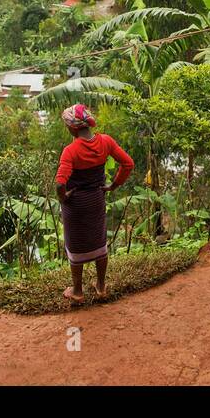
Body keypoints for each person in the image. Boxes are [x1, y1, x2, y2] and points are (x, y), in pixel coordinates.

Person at [55, 103, 134, 304]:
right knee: (99, 241)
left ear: (73, 128)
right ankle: (100, 286)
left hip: (76, 204)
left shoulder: (70, 151)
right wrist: (113, 186)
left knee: (75, 243)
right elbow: (128, 163)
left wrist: (63, 198)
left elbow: (60, 183)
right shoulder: (105, 142)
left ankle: (78, 291)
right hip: (96, 199)